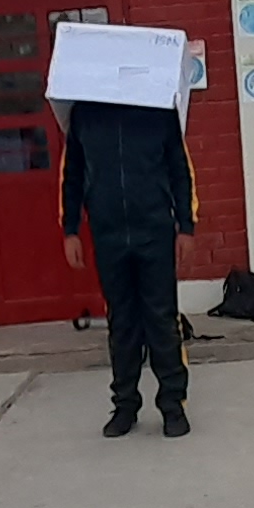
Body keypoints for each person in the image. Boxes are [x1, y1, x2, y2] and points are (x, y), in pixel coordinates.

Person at [61, 99, 198, 438]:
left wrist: (186, 226)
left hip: (155, 231)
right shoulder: (84, 113)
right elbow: (72, 174)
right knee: (121, 323)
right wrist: (70, 230)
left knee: (162, 320)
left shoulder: (159, 108)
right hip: (107, 234)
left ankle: (172, 405)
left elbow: (180, 169)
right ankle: (125, 405)